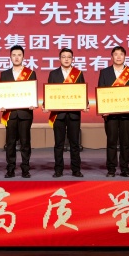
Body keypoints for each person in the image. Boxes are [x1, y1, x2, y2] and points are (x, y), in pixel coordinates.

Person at [98, 46, 129, 177]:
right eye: (116, 54)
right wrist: (103, 109)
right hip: (110, 114)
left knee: (125, 143)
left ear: (125, 56)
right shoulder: (105, 72)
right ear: (112, 57)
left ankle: (125, 168)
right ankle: (111, 169)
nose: (119, 57)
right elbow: (101, 91)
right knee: (111, 142)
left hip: (127, 114)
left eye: (121, 54)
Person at [47, 48, 86, 178]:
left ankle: (76, 169)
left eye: (69, 57)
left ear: (72, 59)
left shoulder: (78, 73)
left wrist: (85, 103)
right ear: (59, 59)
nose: (66, 59)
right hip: (58, 114)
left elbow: (82, 91)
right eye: (63, 57)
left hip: (74, 114)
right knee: (59, 144)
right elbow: (50, 92)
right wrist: (47, 104)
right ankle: (58, 169)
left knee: (74, 143)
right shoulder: (53, 74)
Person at [0, 45, 37, 179]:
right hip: (10, 114)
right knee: (10, 143)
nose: (16, 57)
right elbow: (2, 93)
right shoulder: (5, 74)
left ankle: (25, 169)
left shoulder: (30, 73)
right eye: (14, 55)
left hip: (25, 113)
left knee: (25, 142)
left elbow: (32, 91)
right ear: (10, 57)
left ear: (23, 57)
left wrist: (33, 102)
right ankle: (10, 169)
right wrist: (1, 104)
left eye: (19, 55)